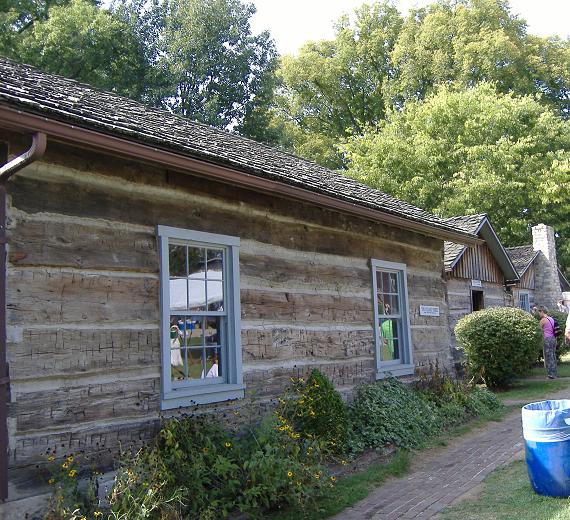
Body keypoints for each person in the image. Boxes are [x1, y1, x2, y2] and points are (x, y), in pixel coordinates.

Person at [537, 306, 557, 379]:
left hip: (547, 339)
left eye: (539, 312)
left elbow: (538, 329)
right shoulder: (551, 319)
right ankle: (554, 373)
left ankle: (551, 375)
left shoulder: (543, 320)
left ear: (542, 311)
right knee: (553, 356)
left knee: (548, 357)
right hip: (553, 339)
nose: (539, 314)